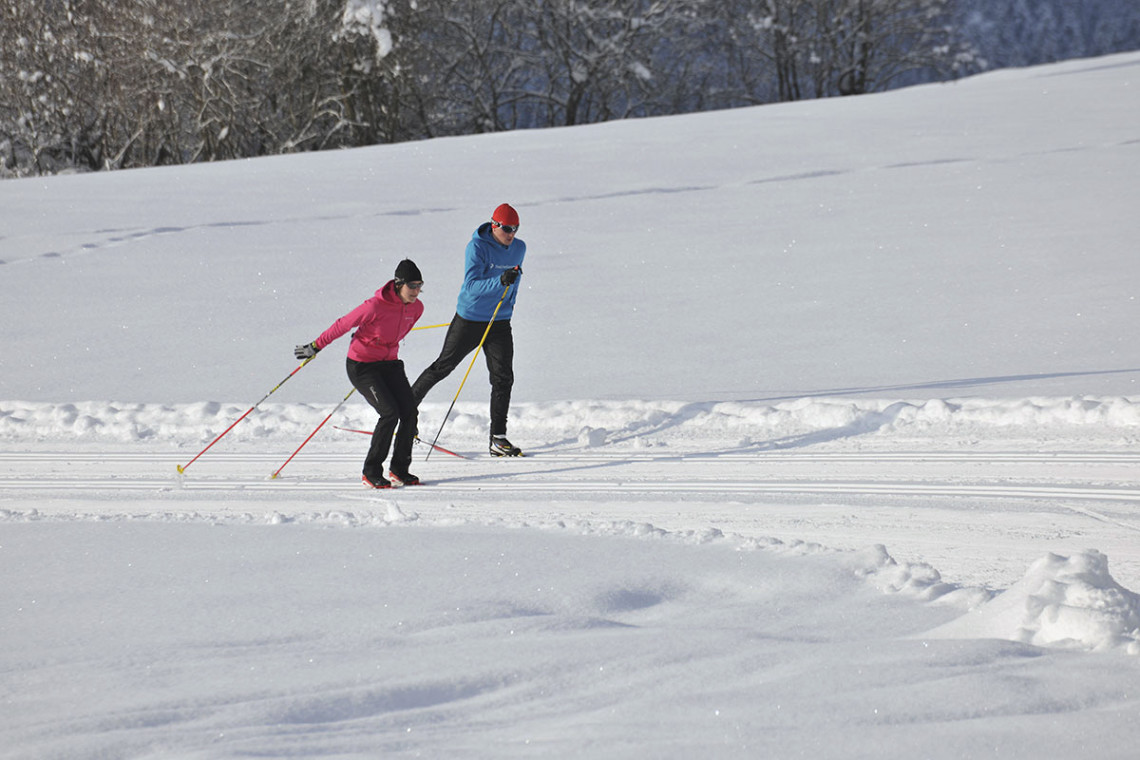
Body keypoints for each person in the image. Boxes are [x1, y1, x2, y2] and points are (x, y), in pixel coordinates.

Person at [294, 259, 425, 488]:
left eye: (419, 285)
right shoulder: (374, 306)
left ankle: (399, 469)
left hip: (390, 364)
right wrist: (315, 346)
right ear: (398, 284)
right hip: (362, 365)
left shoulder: (417, 308)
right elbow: (343, 325)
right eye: (412, 285)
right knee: (389, 413)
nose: (416, 291)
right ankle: (371, 471)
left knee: (409, 412)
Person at [412, 203, 526, 457]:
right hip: (471, 318)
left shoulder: (520, 248)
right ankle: (405, 415)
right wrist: (500, 280)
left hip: (499, 320)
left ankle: (498, 438)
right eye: (507, 229)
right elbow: (472, 285)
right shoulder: (476, 247)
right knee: (443, 367)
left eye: (516, 229)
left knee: (503, 378)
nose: (512, 234)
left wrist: (509, 297)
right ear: (494, 225)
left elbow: (514, 281)